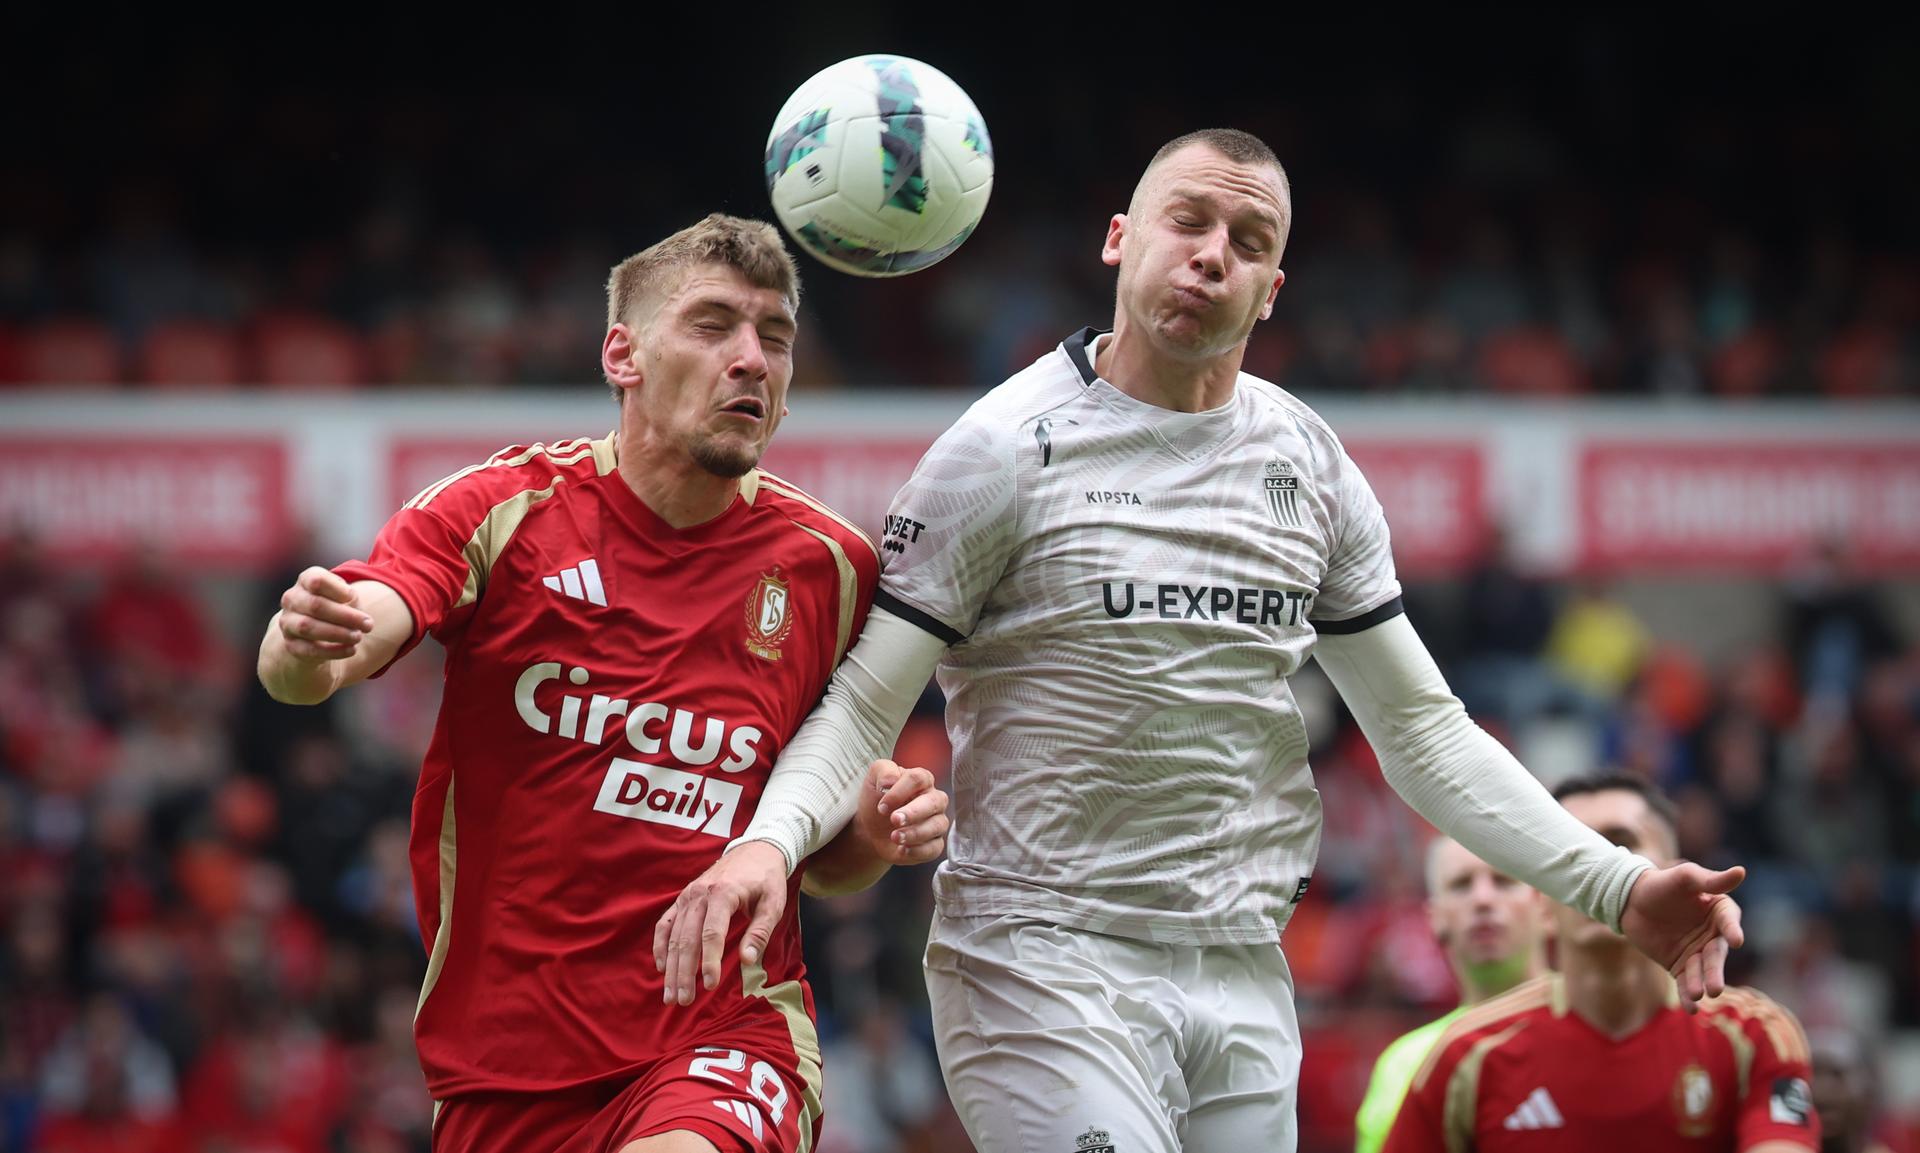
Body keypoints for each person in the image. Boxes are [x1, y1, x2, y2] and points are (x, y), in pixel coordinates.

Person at [655, 131, 1745, 1150]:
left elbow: (1421, 729)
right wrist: (770, 843)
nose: (1213, 255)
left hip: (1242, 968)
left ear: (1271, 290)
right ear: (1120, 239)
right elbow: (861, 703)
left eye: (1249, 242)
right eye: (1187, 222)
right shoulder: (1000, 451)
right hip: (1042, 962)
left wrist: (1616, 886)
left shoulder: (1309, 464)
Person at [256, 214, 951, 1153]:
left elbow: (815, 860)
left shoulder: (831, 569)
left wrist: (869, 831)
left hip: (724, 1037)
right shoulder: (504, 511)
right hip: (503, 1065)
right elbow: (319, 660)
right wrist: (308, 641)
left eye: (775, 336)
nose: (752, 359)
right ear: (623, 355)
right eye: (713, 325)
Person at [1384, 775, 1816, 1153]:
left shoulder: (1754, 1034)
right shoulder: (1465, 1058)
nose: (1601, 873)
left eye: (1621, 844)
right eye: (1575, 854)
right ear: (1541, 899)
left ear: (1678, 881)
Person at [1353, 838, 1551, 1153]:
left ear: (1545, 906)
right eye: (1461, 885)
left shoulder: (1594, 1019)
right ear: (1435, 918)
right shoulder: (1406, 1063)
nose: (1483, 899)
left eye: (1503, 880)